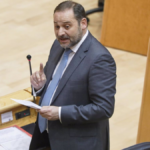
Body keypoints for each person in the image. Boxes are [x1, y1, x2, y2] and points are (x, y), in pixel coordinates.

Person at [29, 1, 116, 150]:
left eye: (67, 26)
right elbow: (58, 88)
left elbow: (104, 108)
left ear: (83, 23)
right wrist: (40, 87)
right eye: (56, 26)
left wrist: (61, 113)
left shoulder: (100, 58)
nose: (60, 32)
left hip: (78, 144)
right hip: (47, 136)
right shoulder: (58, 45)